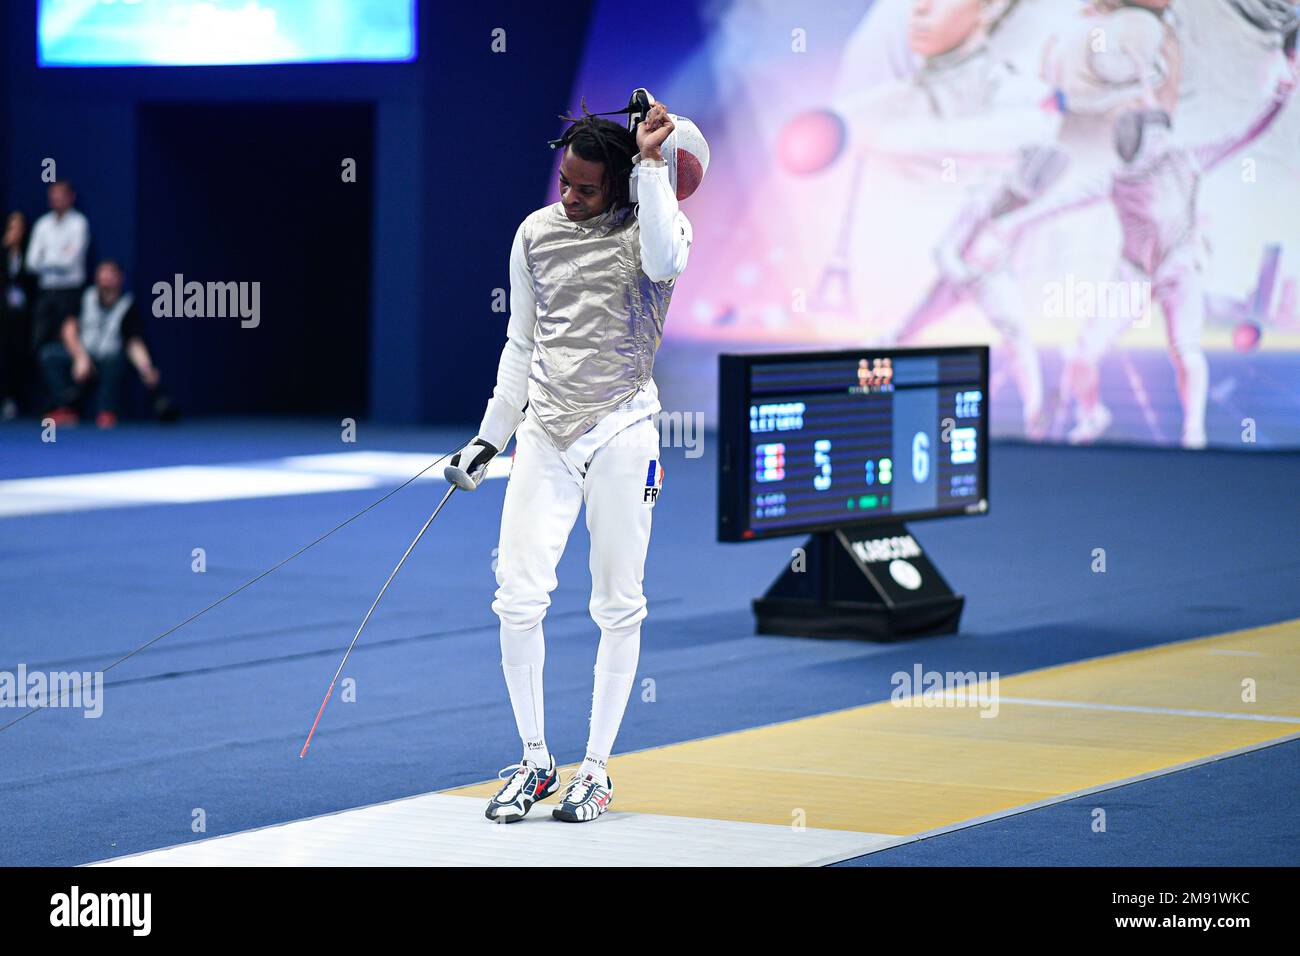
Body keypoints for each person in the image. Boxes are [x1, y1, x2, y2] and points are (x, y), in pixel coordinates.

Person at [446, 97, 693, 824]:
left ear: (617, 184)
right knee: (516, 597)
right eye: (565, 183)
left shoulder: (659, 226)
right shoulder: (534, 235)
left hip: (623, 430)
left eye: (587, 189)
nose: (572, 198)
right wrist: (491, 435)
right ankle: (534, 760)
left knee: (617, 603)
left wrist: (651, 162)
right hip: (546, 434)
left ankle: (597, 768)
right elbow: (522, 344)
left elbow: (664, 258)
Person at [990, 73, 1295, 447]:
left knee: (1186, 351)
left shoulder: (1187, 163)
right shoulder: (1118, 180)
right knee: (1084, 354)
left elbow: (1242, 135)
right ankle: (1091, 415)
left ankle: (1193, 433)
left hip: (1178, 271)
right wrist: (1013, 222)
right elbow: (1062, 202)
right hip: (1133, 275)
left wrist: (1279, 98)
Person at [39, 259, 163, 428]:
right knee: (50, 355)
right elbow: (68, 330)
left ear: (120, 278)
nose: (106, 278)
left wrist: (146, 368)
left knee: (115, 359)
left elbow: (134, 343)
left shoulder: (128, 305)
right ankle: (66, 408)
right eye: (102, 273)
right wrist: (80, 357)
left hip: (107, 360)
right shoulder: (84, 296)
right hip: (82, 356)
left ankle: (106, 411)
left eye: (111, 274)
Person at [25, 182, 90, 372]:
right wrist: (59, 257)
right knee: (38, 342)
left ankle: (70, 394)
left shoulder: (79, 223)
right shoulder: (42, 224)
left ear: (71, 197)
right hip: (45, 292)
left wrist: (47, 258)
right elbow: (31, 263)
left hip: (70, 292)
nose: (56, 200)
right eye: (53, 196)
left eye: (61, 195)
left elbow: (69, 262)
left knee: (69, 341)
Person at [2, 211, 35, 419]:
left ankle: (17, 400)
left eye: (19, 227)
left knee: (19, 356)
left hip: (23, 316)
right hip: (3, 313)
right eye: (12, 226)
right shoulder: (2, 251)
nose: (15, 231)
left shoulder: (29, 252)